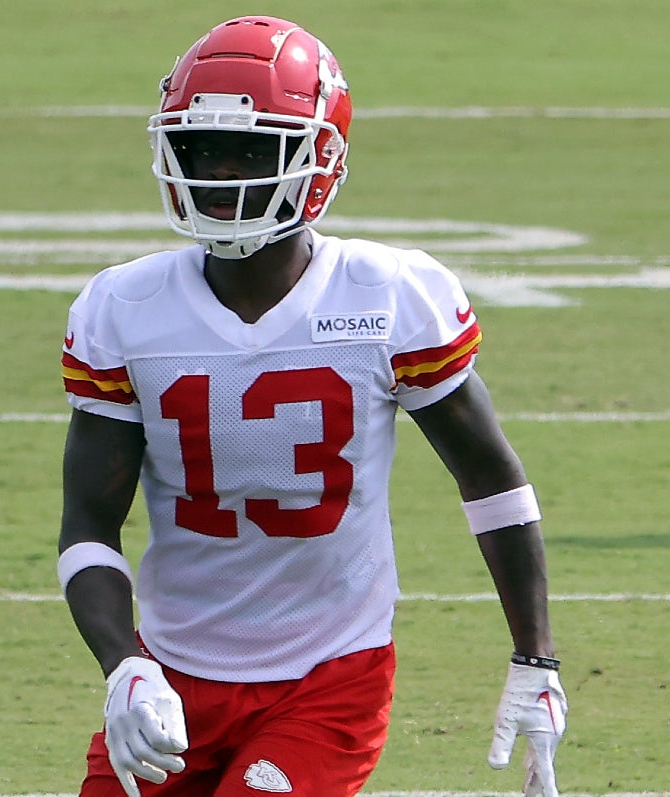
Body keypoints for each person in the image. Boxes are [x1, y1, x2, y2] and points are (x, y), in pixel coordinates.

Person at [57, 16, 566, 797]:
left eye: (254, 148)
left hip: (330, 674)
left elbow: (491, 479)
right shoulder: (124, 307)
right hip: (173, 669)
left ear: (317, 155)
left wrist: (535, 657)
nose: (223, 171)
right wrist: (124, 663)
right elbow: (89, 524)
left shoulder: (390, 296)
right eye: (203, 148)